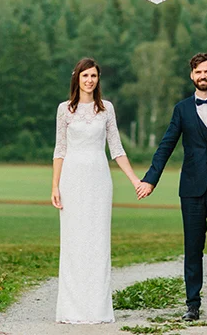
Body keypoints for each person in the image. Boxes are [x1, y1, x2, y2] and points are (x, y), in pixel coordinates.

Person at [137, 53, 207, 322]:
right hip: (191, 189)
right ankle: (192, 305)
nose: (203, 76)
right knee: (193, 248)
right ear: (192, 75)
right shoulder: (182, 109)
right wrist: (150, 179)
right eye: (198, 72)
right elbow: (166, 145)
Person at [52, 57, 141, 324]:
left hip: (99, 181)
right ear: (77, 78)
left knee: (97, 241)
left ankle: (97, 308)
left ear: (98, 79)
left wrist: (135, 180)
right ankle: (71, 309)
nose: (89, 80)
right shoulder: (64, 109)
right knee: (73, 242)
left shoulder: (106, 109)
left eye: (93, 76)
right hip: (71, 180)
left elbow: (117, 149)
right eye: (85, 75)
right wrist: (55, 185)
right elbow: (60, 149)